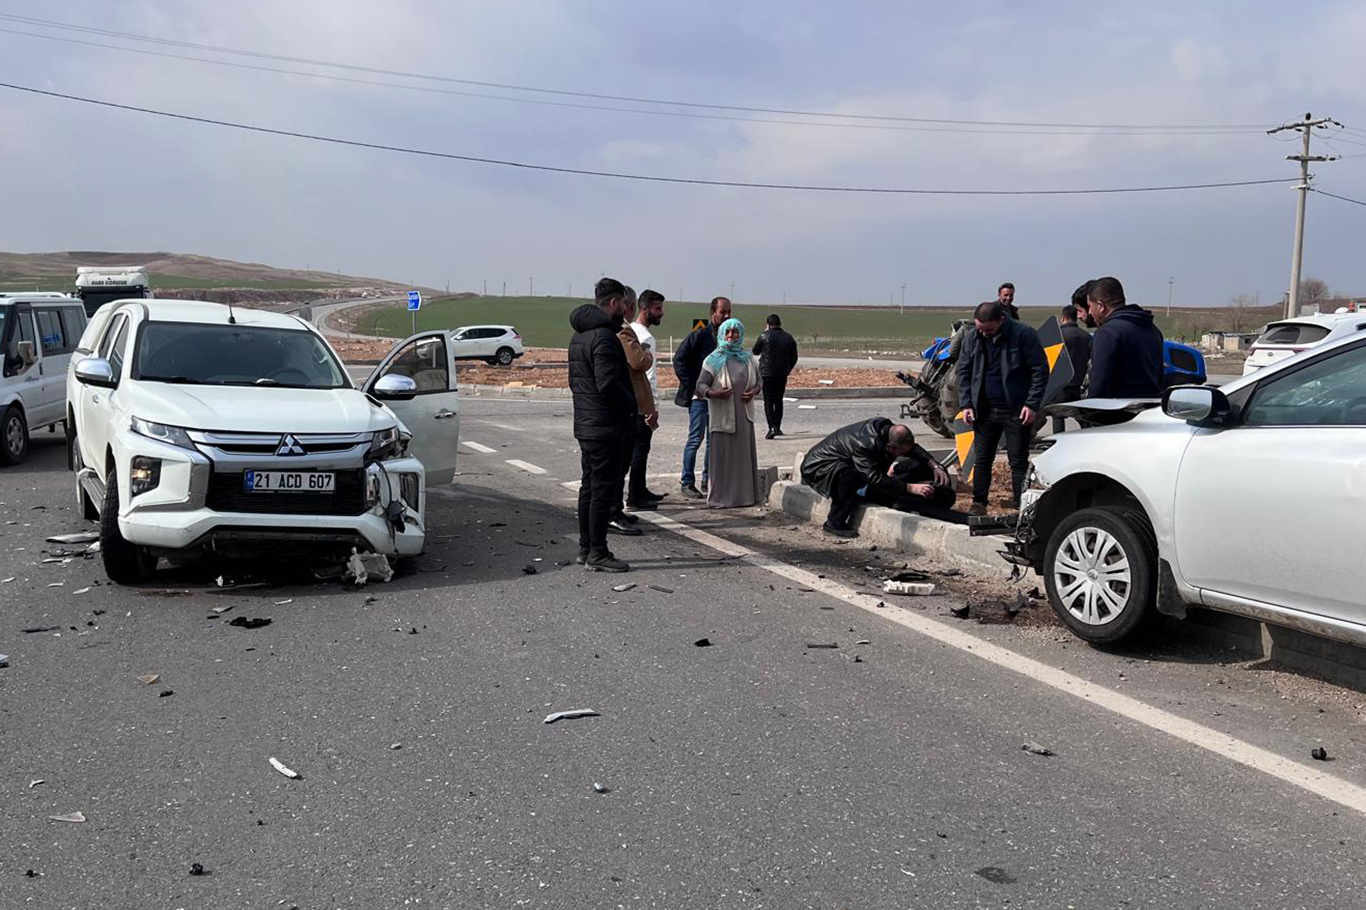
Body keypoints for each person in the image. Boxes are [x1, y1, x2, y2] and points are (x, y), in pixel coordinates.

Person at [568, 278, 637, 572]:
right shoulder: (605, 338)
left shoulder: (579, 337)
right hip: (605, 427)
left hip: (587, 423)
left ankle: (586, 549)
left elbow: (576, 383)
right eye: (623, 303)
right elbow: (608, 383)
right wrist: (631, 405)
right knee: (602, 491)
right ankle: (598, 551)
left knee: (589, 488)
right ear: (613, 302)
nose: (625, 308)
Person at [955, 300, 1048, 515]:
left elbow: (1040, 371)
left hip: (1016, 410)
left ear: (1001, 320)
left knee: (1017, 460)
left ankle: (1020, 505)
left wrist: (1032, 404)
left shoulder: (1023, 335)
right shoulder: (972, 337)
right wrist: (966, 404)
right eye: (980, 329)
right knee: (982, 458)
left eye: (988, 329)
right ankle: (979, 503)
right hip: (983, 410)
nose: (984, 334)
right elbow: (964, 372)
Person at [801, 418, 950, 537]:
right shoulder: (864, 445)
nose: (900, 456)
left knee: (921, 463)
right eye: (898, 453)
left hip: (852, 462)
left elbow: (911, 448)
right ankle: (834, 522)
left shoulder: (888, 432)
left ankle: (888, 489)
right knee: (850, 476)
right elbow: (874, 478)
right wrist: (910, 488)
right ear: (889, 447)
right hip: (819, 468)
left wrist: (934, 465)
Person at [694, 318, 763, 508]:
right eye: (728, 332)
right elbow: (700, 385)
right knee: (723, 460)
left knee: (742, 459)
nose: (732, 336)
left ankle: (744, 497)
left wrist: (754, 391)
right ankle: (720, 498)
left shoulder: (748, 358)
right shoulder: (714, 359)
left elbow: (759, 382)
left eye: (735, 332)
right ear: (722, 335)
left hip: (744, 417)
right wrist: (714, 393)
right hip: (723, 416)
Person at [672, 296, 731, 499]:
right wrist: (693, 387)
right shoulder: (700, 335)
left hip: (718, 399)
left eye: (729, 312)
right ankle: (687, 481)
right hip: (700, 399)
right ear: (712, 313)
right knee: (696, 439)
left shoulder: (728, 339)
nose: (726, 316)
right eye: (723, 312)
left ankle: (708, 479)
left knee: (713, 441)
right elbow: (679, 360)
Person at [607, 285, 648, 531]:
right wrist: (648, 355)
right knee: (620, 463)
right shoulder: (623, 332)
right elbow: (638, 361)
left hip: (629, 404)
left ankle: (616, 509)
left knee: (622, 463)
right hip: (626, 406)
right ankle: (613, 512)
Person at [1085, 276, 1164, 399]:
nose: (1089, 312)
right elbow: (1160, 378)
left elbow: (1098, 387)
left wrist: (1088, 413)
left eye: (1090, 306)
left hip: (1118, 412)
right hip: (1149, 409)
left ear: (1100, 306)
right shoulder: (1153, 331)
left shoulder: (1107, 333)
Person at [626, 289, 666, 509]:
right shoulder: (645, 336)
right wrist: (653, 406)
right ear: (644, 309)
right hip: (642, 402)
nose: (661, 313)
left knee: (639, 448)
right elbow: (647, 375)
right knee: (641, 448)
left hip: (632, 401)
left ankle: (640, 489)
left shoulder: (631, 331)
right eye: (657, 309)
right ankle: (635, 496)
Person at [751, 313, 799, 439]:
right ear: (779, 324)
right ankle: (777, 426)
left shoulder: (764, 335)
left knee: (768, 400)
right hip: (781, 373)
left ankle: (771, 427)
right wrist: (788, 369)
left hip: (766, 373)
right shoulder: (788, 337)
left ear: (768, 324)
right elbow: (794, 357)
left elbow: (755, 350)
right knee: (778, 400)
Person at [1053, 292, 1093, 435]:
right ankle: (1089, 437)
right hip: (1080, 384)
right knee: (1082, 417)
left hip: (1062, 384)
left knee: (1058, 417)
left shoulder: (1057, 336)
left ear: (1062, 318)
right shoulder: (1087, 336)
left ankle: (1057, 442)